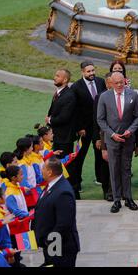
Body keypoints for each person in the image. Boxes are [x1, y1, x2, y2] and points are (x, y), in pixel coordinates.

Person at [97, 72, 138, 213]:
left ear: (125, 81)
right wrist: (112, 134)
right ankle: (116, 200)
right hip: (112, 140)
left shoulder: (133, 95)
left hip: (128, 140)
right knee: (114, 169)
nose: (119, 85)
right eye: (116, 83)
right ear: (110, 83)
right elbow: (100, 119)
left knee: (126, 169)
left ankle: (128, 198)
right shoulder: (104, 97)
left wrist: (130, 130)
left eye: (121, 82)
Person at [33, 157, 80, 267]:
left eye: (43, 168)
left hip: (59, 247)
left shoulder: (63, 192)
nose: (41, 170)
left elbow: (64, 224)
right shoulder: (53, 185)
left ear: (50, 172)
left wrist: (49, 242)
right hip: (53, 245)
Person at [70, 61, 107, 193]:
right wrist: (79, 128)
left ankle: (101, 178)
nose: (92, 73)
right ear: (82, 72)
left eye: (93, 70)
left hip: (99, 126)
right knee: (80, 155)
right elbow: (75, 110)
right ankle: (77, 182)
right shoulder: (76, 87)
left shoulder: (101, 82)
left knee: (100, 153)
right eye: (88, 71)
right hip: (84, 129)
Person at [45, 69, 77, 195]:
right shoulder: (58, 93)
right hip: (57, 136)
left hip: (65, 137)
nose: (55, 77)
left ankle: (71, 191)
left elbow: (65, 117)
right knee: (58, 164)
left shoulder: (69, 96)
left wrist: (50, 120)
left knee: (66, 165)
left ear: (65, 80)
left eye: (58, 76)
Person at [92, 72, 114, 202]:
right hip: (104, 136)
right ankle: (107, 191)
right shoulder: (100, 97)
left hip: (118, 136)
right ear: (107, 83)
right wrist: (97, 138)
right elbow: (96, 119)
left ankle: (116, 190)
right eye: (112, 82)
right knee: (105, 165)